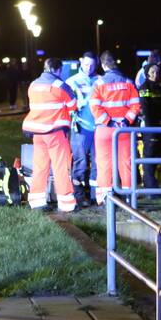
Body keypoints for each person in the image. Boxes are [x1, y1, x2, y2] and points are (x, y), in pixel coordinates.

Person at [22, 57, 77, 212]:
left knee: (40, 166)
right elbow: (73, 105)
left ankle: (37, 201)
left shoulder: (33, 85)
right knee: (61, 166)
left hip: (37, 133)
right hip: (55, 132)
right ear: (58, 70)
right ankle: (66, 204)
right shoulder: (60, 85)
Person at [90, 51, 140, 204]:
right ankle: (129, 197)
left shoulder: (99, 83)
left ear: (103, 65)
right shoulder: (128, 82)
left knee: (104, 163)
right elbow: (136, 105)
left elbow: (95, 106)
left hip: (105, 130)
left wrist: (108, 122)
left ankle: (105, 198)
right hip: (124, 130)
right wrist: (126, 120)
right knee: (127, 162)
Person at [66, 51, 99, 207]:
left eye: (92, 65)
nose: (89, 68)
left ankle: (95, 195)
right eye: (86, 64)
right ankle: (79, 195)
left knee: (98, 162)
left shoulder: (100, 80)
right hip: (81, 127)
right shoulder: (72, 81)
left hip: (99, 127)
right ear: (80, 62)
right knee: (80, 162)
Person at [138, 62, 161, 190]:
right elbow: (146, 108)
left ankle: (155, 186)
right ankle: (150, 188)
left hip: (160, 127)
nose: (155, 75)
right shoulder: (145, 87)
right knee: (149, 157)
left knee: (157, 156)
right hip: (151, 128)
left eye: (157, 72)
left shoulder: (158, 87)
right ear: (147, 74)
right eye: (152, 72)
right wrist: (152, 128)